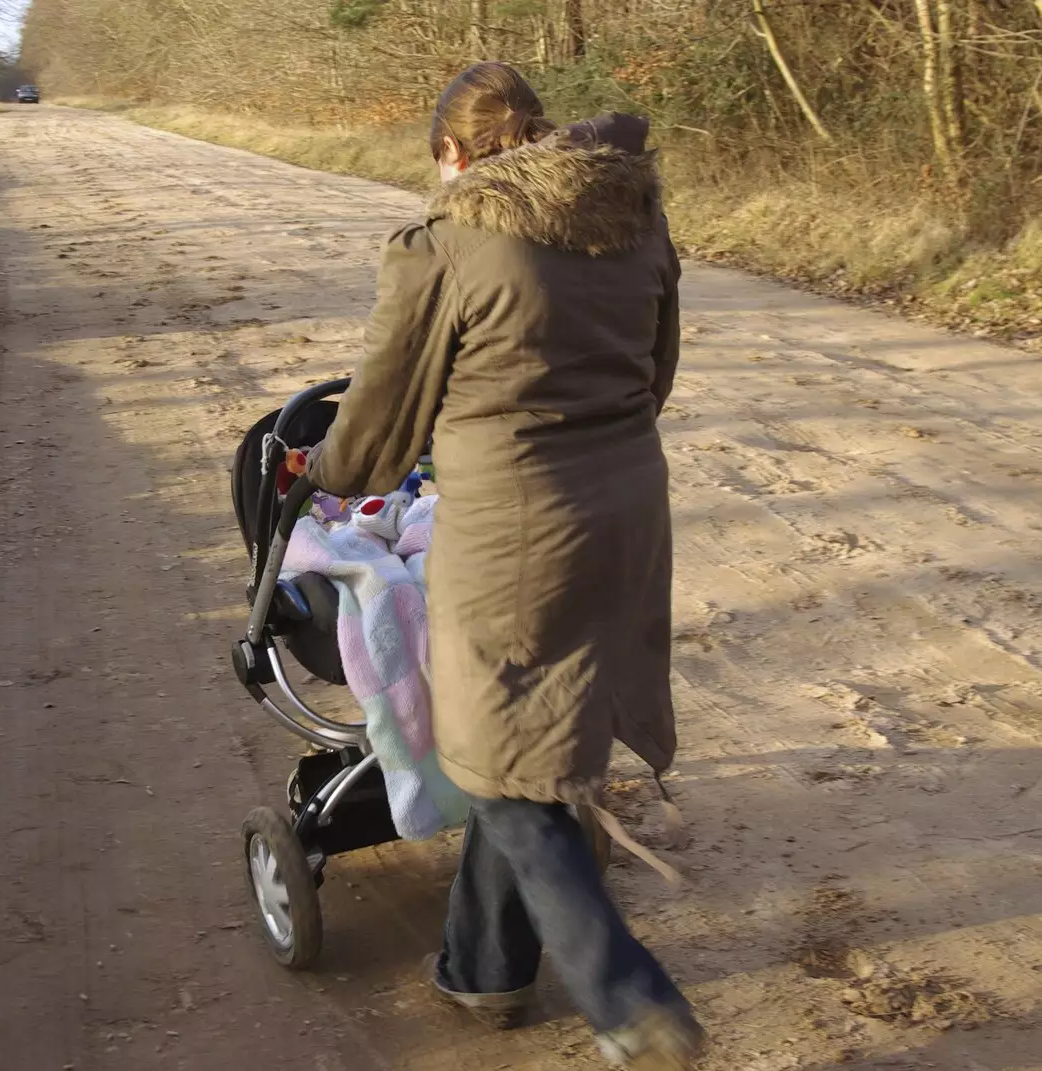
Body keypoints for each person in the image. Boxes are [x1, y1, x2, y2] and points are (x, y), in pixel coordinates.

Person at [305, 62, 702, 1069]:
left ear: (450, 155)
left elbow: (379, 429)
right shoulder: (634, 219)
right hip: (628, 513)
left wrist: (325, 470)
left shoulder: (445, 244)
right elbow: (655, 375)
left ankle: (627, 996)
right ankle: (484, 971)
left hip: (514, 536)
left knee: (498, 779)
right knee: (527, 743)